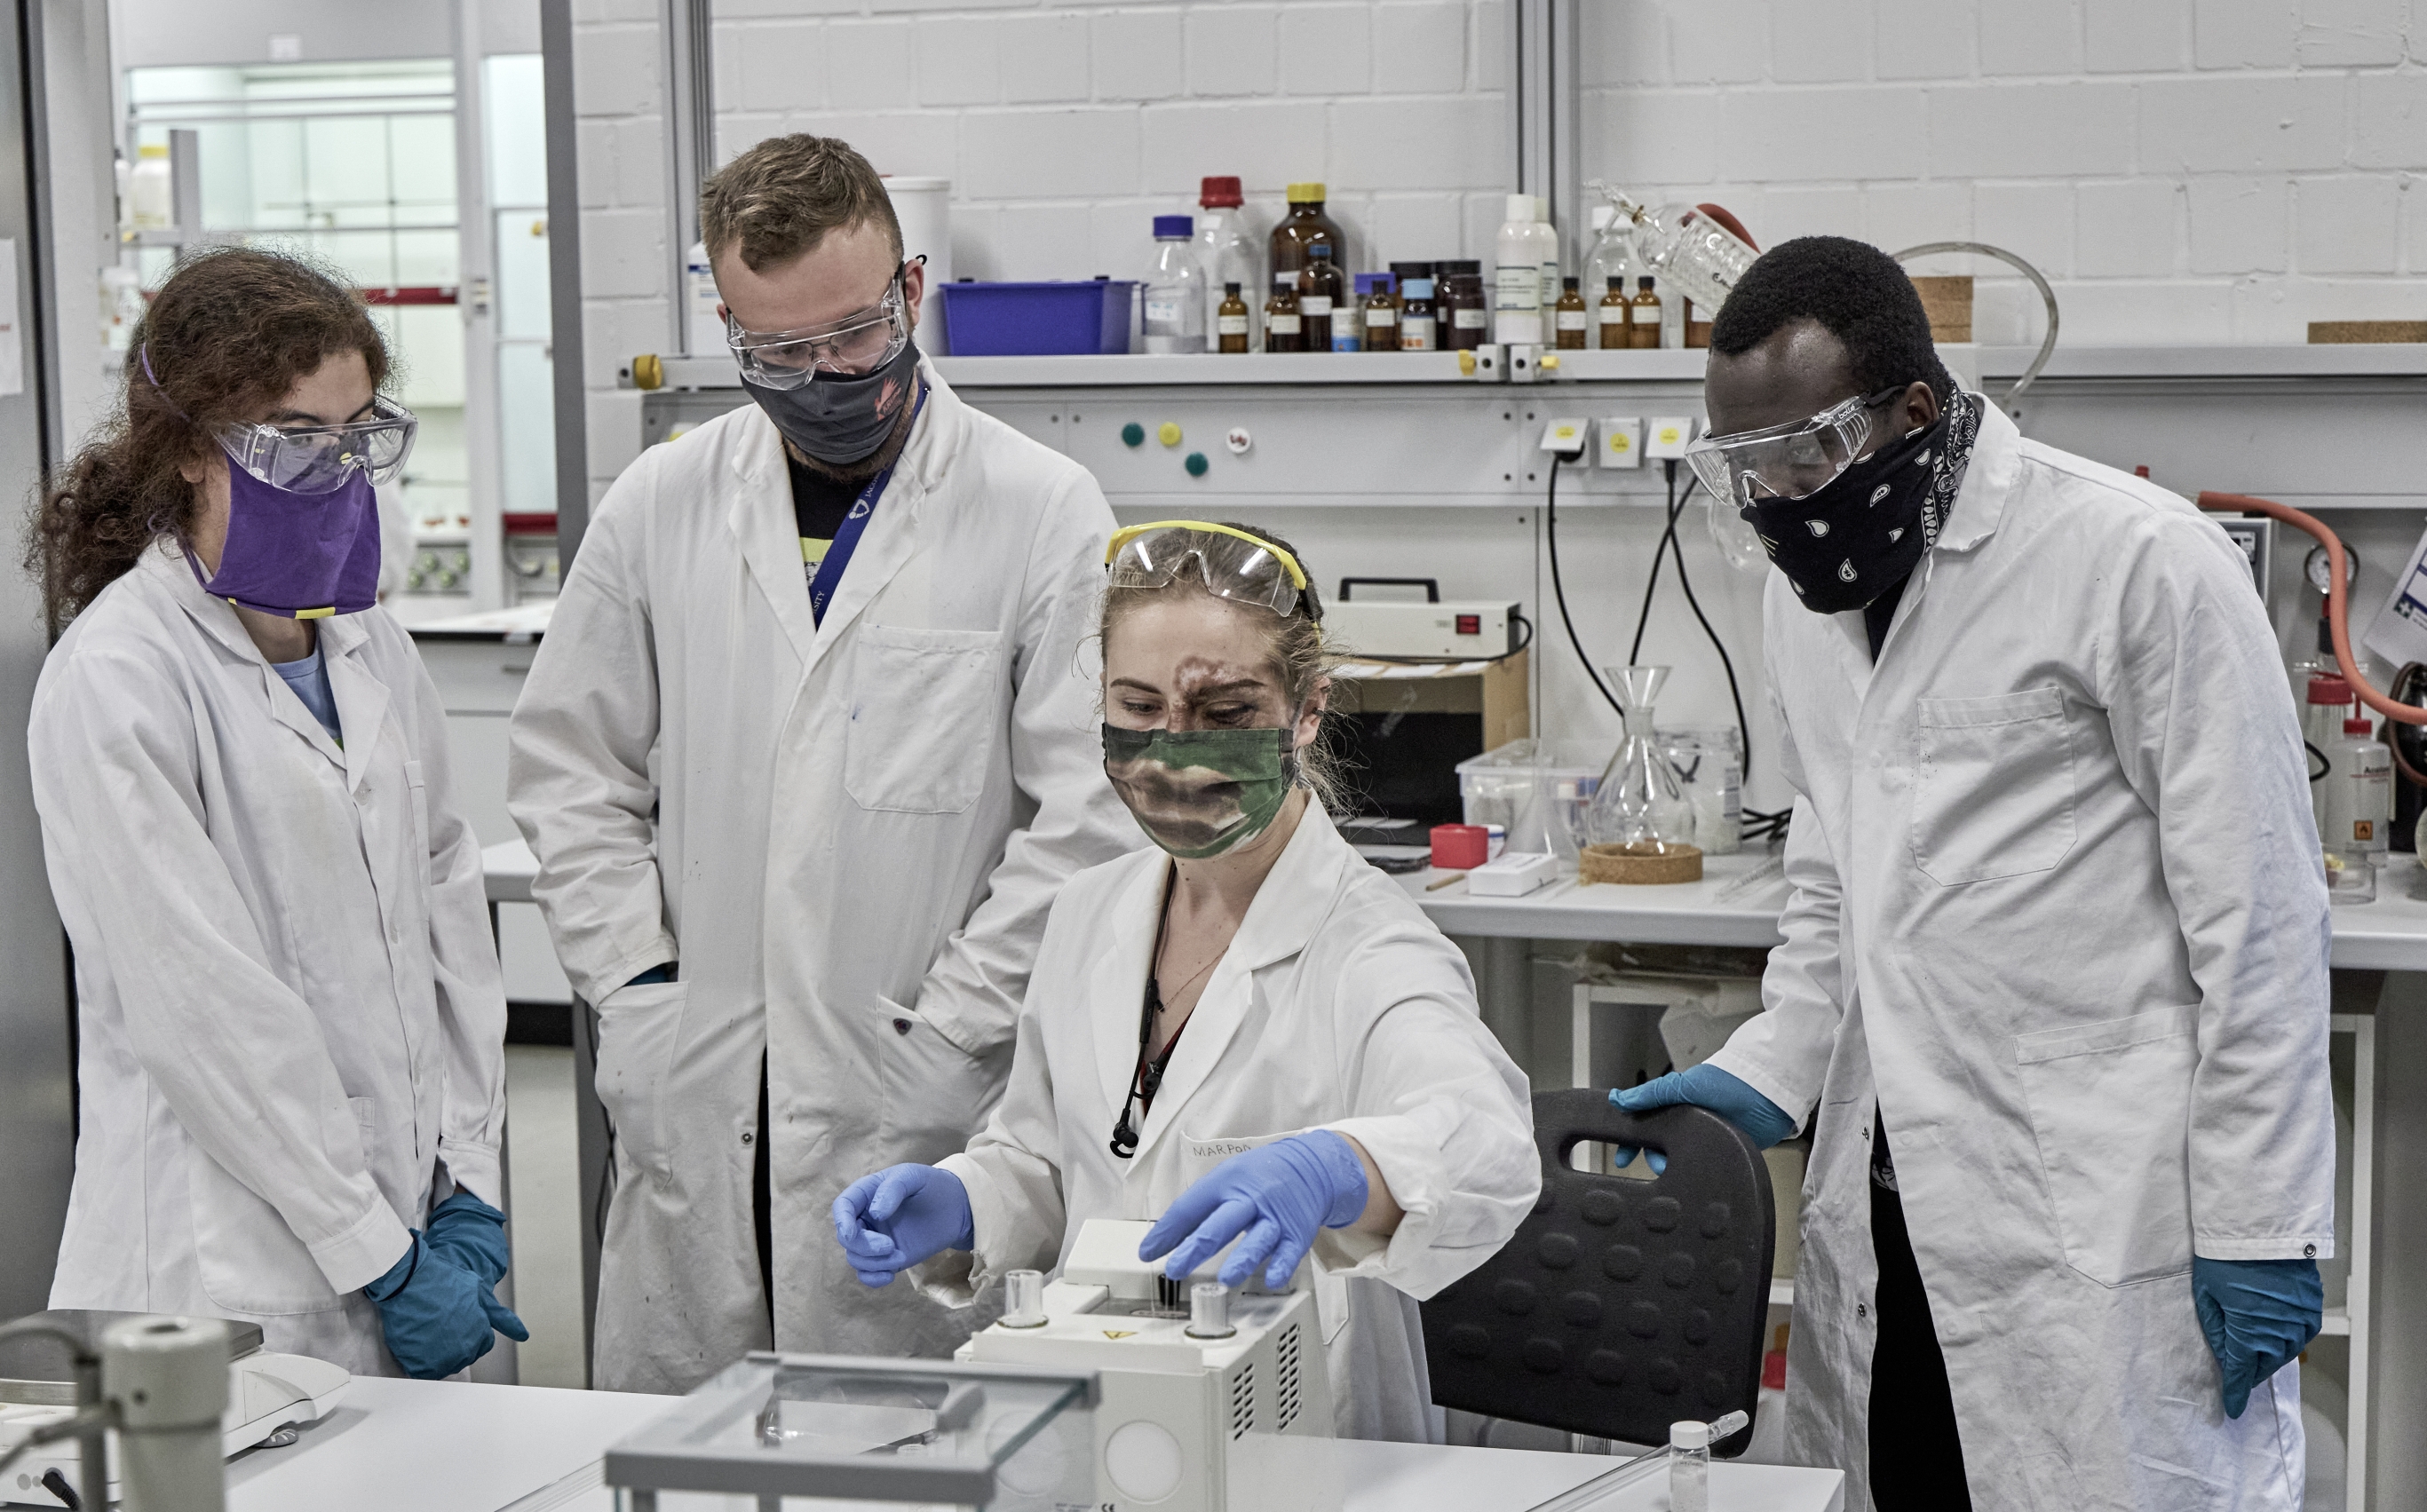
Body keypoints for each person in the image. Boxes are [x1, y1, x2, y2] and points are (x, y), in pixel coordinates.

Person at [1611, 237, 2332, 1510]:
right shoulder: (1804, 597)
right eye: (1745, 467)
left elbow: (2261, 915)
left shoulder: (2137, 560)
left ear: (1913, 411)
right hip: (1891, 1197)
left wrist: (2259, 1221)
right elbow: (1832, 874)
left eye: (1807, 455)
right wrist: (1776, 1061)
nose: (1781, 496)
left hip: (2101, 1206)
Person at [509, 134, 1135, 1393]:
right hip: (698, 1071)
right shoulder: (662, 500)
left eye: (853, 334)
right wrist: (634, 983)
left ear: (911, 289)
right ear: (729, 329)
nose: (828, 376)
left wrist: (953, 1022)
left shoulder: (1039, 506)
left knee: (920, 1435)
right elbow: (571, 765)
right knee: (689, 1438)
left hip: (921, 1079)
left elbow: (1089, 813)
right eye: (780, 352)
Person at [829, 522, 1540, 1443]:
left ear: (1308, 709)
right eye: (1138, 704)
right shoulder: (1087, 910)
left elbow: (1486, 1145)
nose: (1174, 748)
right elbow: (1050, 1160)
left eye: (1225, 711)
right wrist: (964, 1198)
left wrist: (1335, 1169)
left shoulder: (1372, 945)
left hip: (1302, 1433)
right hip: (1103, 1403)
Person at [26, 247, 523, 1379]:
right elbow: (204, 1009)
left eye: (358, 440)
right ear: (189, 446)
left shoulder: (369, 643)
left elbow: (446, 907)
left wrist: (468, 1178)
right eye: (297, 443)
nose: (338, 478)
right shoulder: (120, 676)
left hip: (409, 1221)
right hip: (218, 1272)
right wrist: (375, 1251)